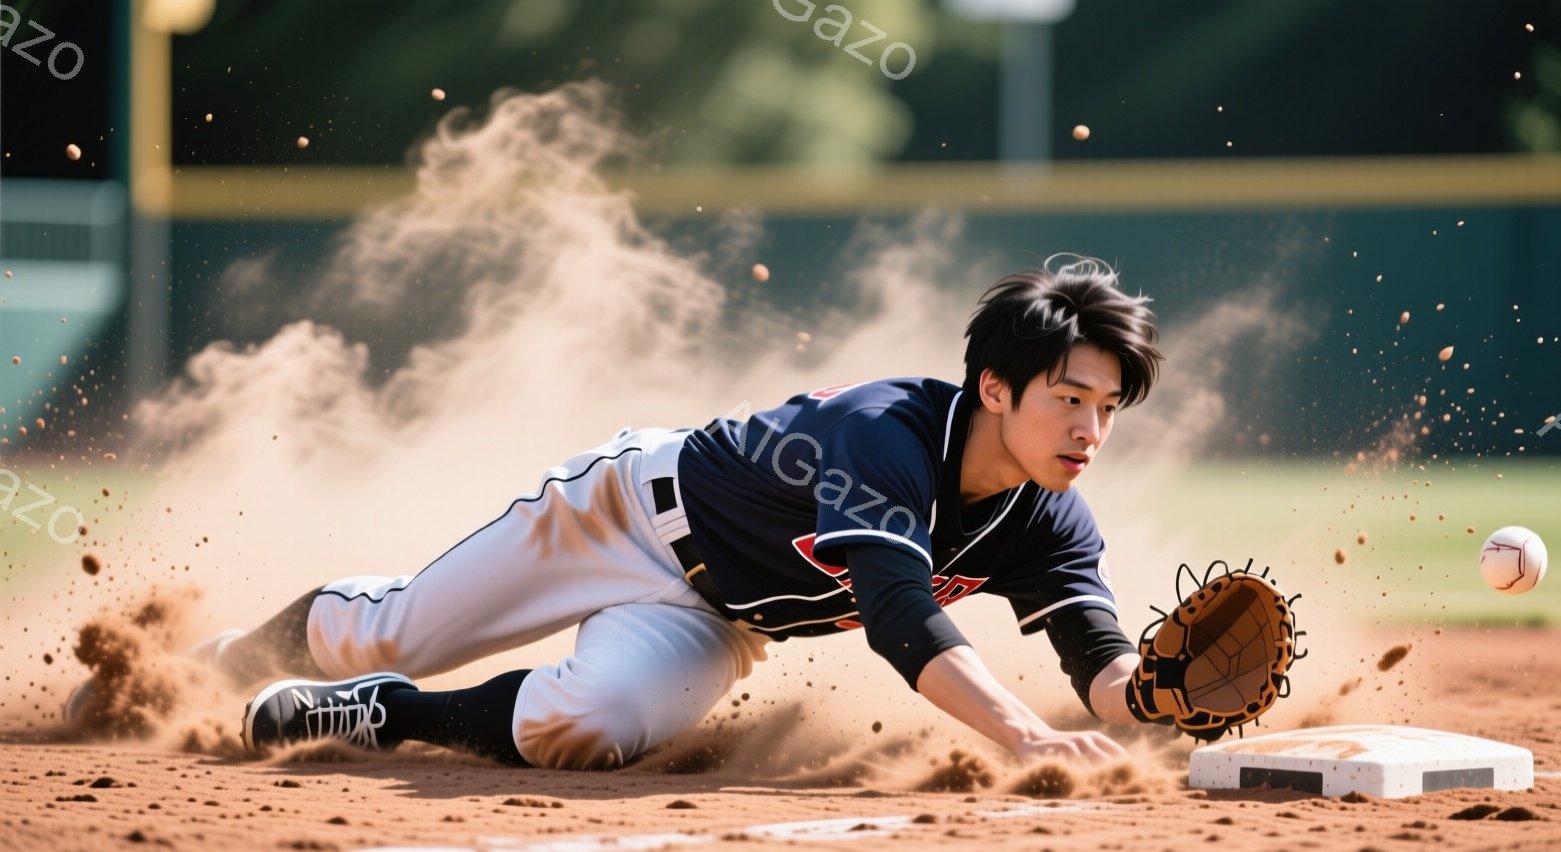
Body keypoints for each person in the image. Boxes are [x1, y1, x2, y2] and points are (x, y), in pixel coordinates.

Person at [117, 255, 1172, 769]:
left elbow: (1103, 668)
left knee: (590, 726)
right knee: (382, 623)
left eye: (1104, 407)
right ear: (995, 386)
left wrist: (1162, 696)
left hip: (715, 618)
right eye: (1066, 398)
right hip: (620, 514)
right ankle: (196, 667)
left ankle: (388, 713)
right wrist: (1027, 737)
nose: (1088, 427)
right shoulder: (883, 433)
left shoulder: (1052, 520)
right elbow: (901, 617)